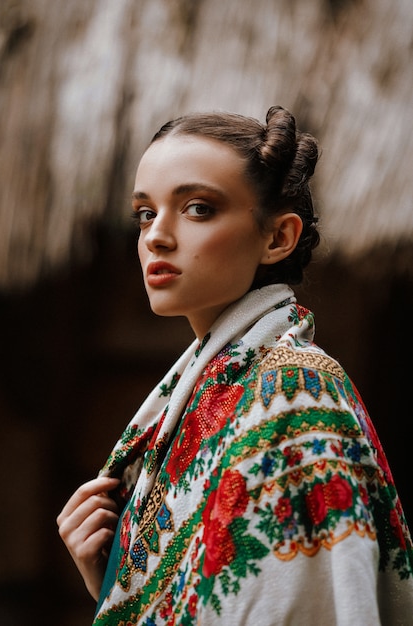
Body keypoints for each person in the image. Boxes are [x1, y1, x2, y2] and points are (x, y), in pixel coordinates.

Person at [57, 105, 413, 625]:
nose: (156, 235)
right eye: (145, 213)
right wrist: (114, 580)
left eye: (198, 208)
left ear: (277, 238)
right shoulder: (210, 392)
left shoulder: (293, 392)